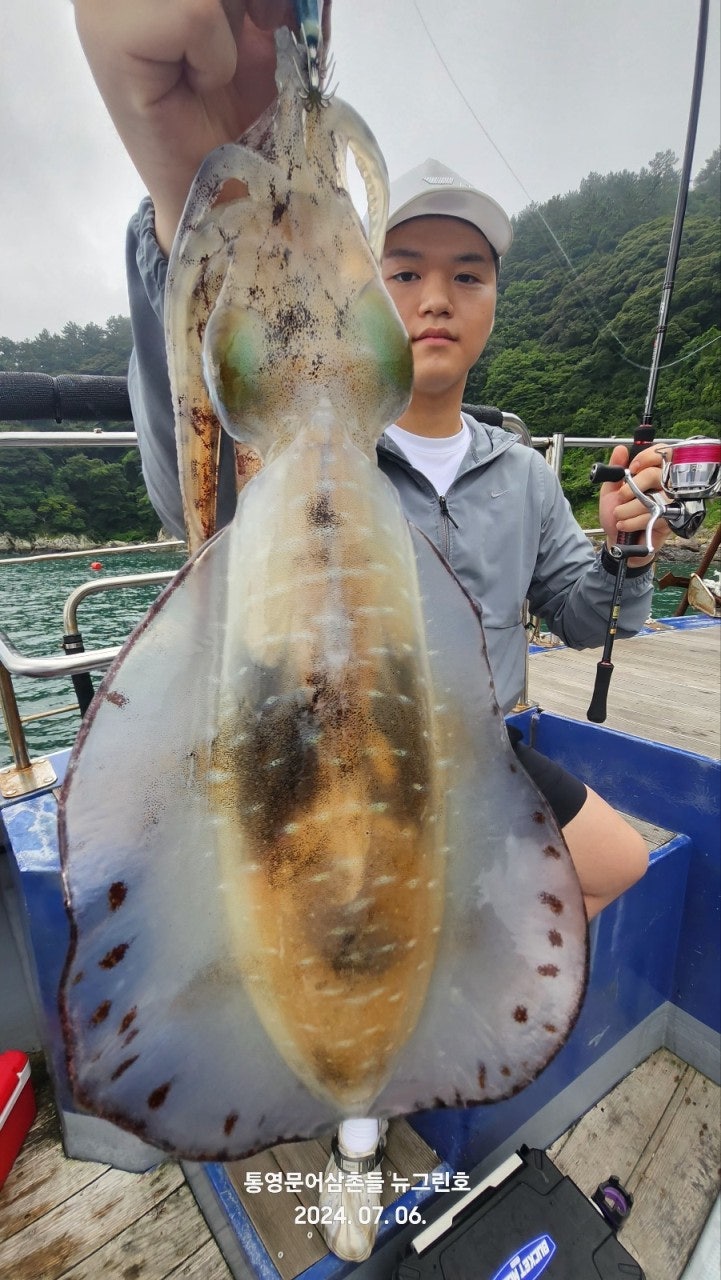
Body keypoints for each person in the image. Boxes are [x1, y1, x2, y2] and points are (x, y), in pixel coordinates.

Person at [74, 2, 671, 1260]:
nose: (436, 297)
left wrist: (627, 550)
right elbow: (187, 461)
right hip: (291, 741)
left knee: (610, 862)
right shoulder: (325, 434)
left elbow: (583, 613)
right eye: (405, 273)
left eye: (467, 274)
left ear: (494, 301)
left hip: (479, 753)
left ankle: (423, 1045)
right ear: (370, 303)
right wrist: (175, 194)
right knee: (318, 924)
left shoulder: (520, 469)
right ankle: (359, 1131)